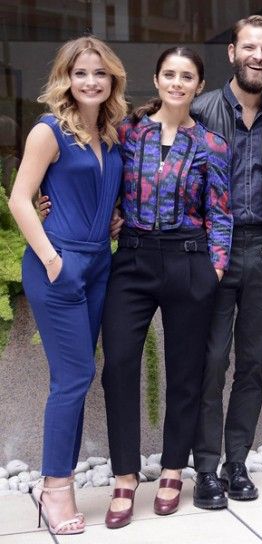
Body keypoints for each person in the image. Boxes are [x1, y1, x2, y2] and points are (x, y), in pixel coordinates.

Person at [101, 46, 232, 529]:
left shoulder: (213, 144)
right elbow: (101, 187)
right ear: (156, 80)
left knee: (185, 372)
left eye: (187, 76)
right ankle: (125, 474)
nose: (177, 83)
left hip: (188, 261)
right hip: (133, 260)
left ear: (199, 86)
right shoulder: (126, 133)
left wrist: (214, 270)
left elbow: (221, 213)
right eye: (170, 74)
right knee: (118, 365)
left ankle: (174, 469)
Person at [8, 36, 126, 535]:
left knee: (78, 376)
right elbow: (19, 199)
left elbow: (97, 191)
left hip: (99, 263)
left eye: (100, 73)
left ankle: (61, 479)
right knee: (73, 377)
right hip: (58, 264)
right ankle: (54, 487)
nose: (91, 81)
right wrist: (52, 259)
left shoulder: (111, 133)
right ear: (66, 78)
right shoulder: (49, 129)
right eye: (81, 73)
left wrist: (111, 219)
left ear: (112, 79)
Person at [189, 15, 262, 509]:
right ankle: (205, 469)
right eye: (249, 47)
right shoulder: (201, 111)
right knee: (210, 363)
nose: (257, 56)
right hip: (212, 253)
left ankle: (236, 463)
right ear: (232, 52)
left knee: (252, 366)